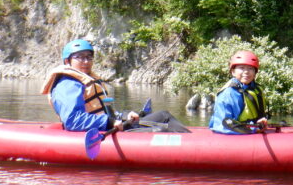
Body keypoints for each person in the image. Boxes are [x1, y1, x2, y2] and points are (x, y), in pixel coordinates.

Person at [41, 38, 189, 133]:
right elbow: (73, 121)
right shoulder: (67, 84)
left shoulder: (89, 79)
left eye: (89, 57)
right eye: (79, 57)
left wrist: (123, 115)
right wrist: (110, 122)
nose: (86, 61)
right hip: (96, 131)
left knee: (164, 115)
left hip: (110, 125)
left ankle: (191, 143)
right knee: (159, 131)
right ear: (67, 62)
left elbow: (103, 111)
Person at [209, 49, 269, 134]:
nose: (246, 72)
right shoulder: (228, 94)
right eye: (241, 68)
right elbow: (223, 125)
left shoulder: (256, 89)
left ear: (255, 72)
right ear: (233, 71)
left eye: (250, 68)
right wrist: (253, 129)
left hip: (251, 132)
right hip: (233, 135)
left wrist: (260, 124)